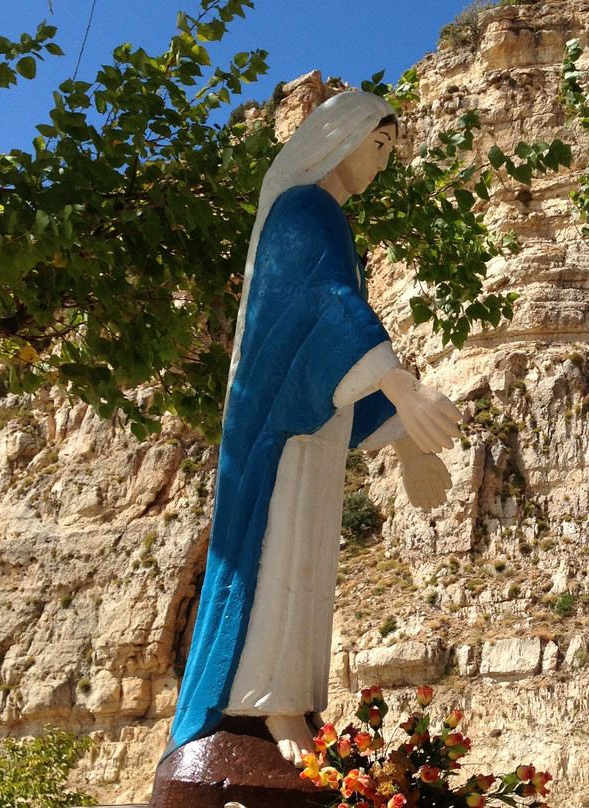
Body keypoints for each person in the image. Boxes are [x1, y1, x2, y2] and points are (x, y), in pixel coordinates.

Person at [163, 91, 462, 767]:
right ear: (339, 136)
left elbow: (332, 329)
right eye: (377, 145)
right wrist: (399, 383)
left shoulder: (328, 220)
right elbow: (321, 305)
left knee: (305, 556)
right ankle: (267, 699)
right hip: (283, 429)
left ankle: (287, 696)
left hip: (312, 423)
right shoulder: (304, 210)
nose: (384, 162)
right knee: (282, 543)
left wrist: (403, 435)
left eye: (392, 150)